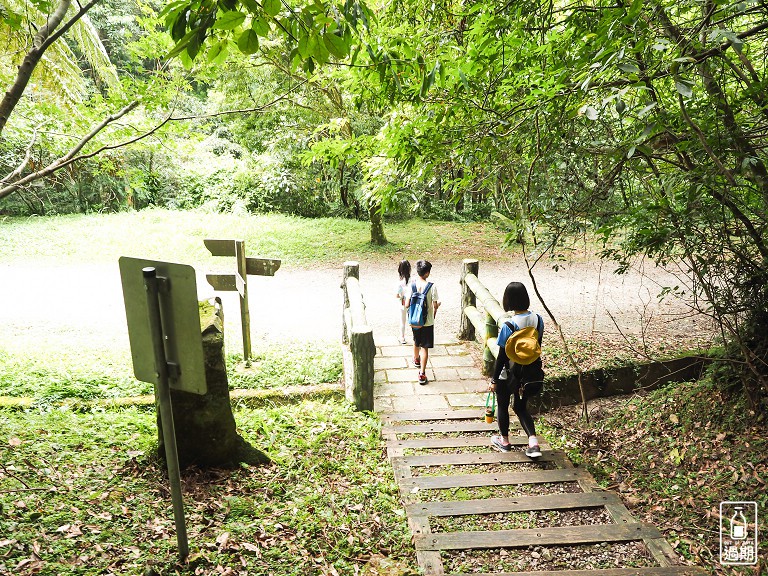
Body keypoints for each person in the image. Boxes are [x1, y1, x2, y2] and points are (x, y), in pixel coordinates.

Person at [488, 282, 545, 458]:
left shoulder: (509, 325)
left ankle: (504, 441)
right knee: (521, 407)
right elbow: (537, 346)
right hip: (529, 372)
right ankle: (533, 443)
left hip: (509, 372)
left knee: (503, 405)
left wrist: (494, 379)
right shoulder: (538, 319)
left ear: (508, 301)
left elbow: (502, 356)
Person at [405, 260, 440, 385]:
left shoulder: (412, 285)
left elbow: (407, 304)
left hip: (415, 321)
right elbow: (435, 305)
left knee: (416, 341)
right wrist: (436, 307)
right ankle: (422, 373)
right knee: (425, 347)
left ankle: (416, 359)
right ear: (427, 273)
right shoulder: (432, 286)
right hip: (427, 321)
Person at [395, 260, 412, 345]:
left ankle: (402, 337)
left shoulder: (400, 282)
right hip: (412, 303)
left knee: (402, 321)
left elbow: (397, 295)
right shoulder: (413, 280)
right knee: (412, 320)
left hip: (403, 303)